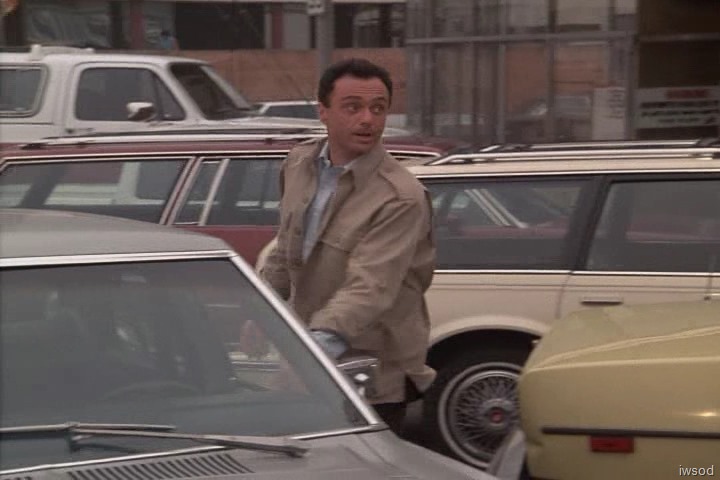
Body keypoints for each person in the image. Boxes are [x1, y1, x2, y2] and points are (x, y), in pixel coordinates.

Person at [260, 58, 436, 435]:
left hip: (373, 372)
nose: (368, 120)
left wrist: (310, 356)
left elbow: (370, 288)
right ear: (323, 111)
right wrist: (260, 309)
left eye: (378, 108)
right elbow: (286, 247)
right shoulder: (299, 163)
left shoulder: (400, 196)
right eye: (353, 107)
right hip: (309, 358)